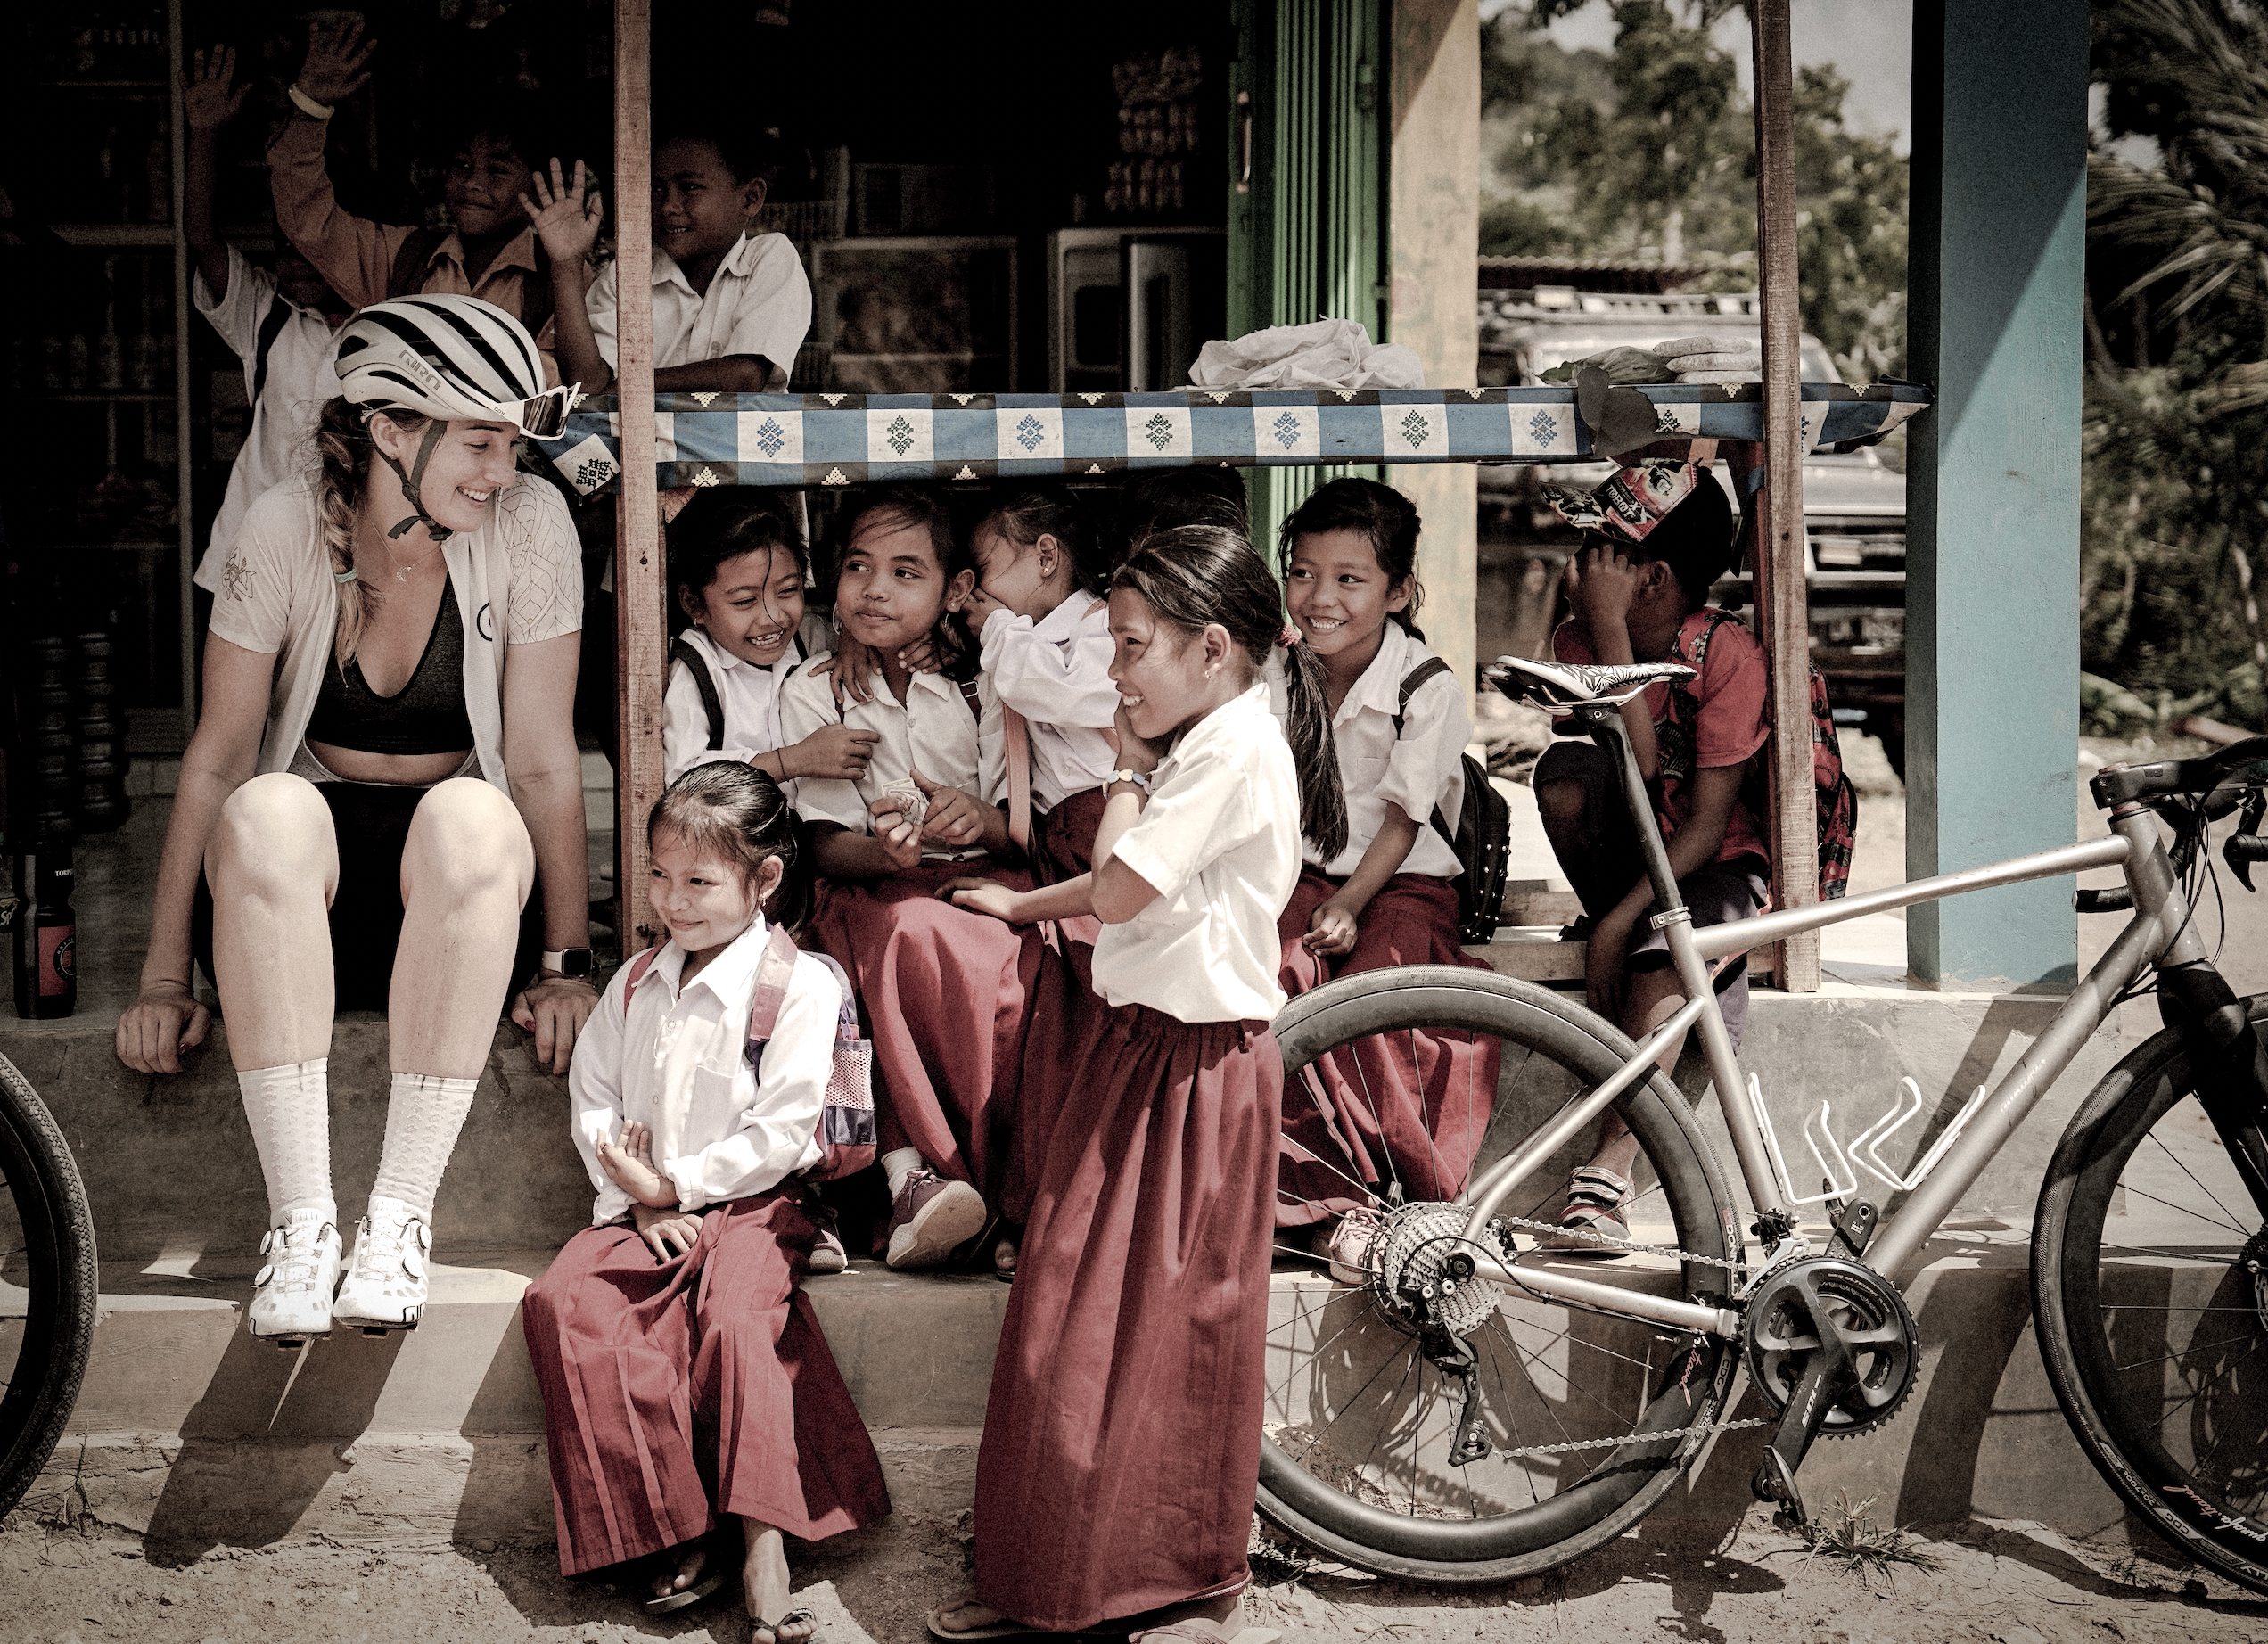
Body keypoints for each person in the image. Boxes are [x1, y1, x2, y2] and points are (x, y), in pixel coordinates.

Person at [112, 295, 598, 1344]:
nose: (502, 471)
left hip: (455, 915)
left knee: (472, 811)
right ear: (388, 430)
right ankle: (300, 1228)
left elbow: (548, 762)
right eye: (479, 441)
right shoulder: (282, 522)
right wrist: (162, 977)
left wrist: (567, 959)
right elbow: (215, 757)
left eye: (513, 444)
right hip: (291, 916)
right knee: (269, 806)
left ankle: (397, 1222)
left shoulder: (533, 525)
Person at [933, 525, 1340, 1643]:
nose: (1115, 673)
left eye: (1129, 647)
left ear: (1213, 649)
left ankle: (1146, 1582)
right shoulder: (1220, 736)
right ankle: (1077, 1578)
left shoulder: (1227, 751)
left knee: (1132, 1326)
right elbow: (1137, 889)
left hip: (1196, 1066)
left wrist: (1118, 763)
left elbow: (1117, 890)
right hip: (1154, 1051)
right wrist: (1018, 908)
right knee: (1099, 1320)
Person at [520, 763, 890, 1640]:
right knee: (565, 1303)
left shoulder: (801, 985)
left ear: (764, 879)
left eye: (699, 880)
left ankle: (766, 1545)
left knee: (731, 1318)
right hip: (645, 1202)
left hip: (760, 1201)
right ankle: (679, 1521)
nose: (673, 900)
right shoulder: (638, 978)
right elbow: (596, 1099)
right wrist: (637, 1197)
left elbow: (782, 1128)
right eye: (658, 875)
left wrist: (679, 1184)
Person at [779, 487, 1039, 1276]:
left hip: (978, 881)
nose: (875, 590)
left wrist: (975, 819)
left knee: (1023, 977)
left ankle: (1009, 1197)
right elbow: (824, 845)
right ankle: (920, 1179)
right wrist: (887, 855)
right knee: (904, 937)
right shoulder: (816, 688)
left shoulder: (983, 683)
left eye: (904, 573)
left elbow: (1011, 823)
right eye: (858, 568)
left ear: (954, 590)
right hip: (873, 890)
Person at [1266, 479, 1504, 1267]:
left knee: (1374, 984)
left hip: (1400, 885)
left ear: (1400, 591)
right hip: (1299, 874)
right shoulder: (1278, 669)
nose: (1319, 598)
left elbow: (1405, 816)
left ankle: (1402, 1191)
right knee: (1274, 975)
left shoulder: (1424, 685)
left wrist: (1352, 903)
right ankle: (1319, 1195)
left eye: (1349, 580)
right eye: (1303, 574)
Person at [1533, 465, 1767, 1249]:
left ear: (1653, 576)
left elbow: (1702, 830)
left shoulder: (1728, 656)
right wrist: (1602, 631)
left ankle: (1608, 1173)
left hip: (1711, 865)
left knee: (1667, 949)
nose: (1578, 565)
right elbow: (1622, 774)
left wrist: (1619, 925)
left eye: (1599, 551)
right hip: (1637, 850)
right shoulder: (1576, 638)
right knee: (1564, 777)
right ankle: (1624, 921)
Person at [270, 20, 579, 382]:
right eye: (462, 164)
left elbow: (570, 379)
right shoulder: (405, 257)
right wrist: (310, 109)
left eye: (496, 170)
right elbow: (308, 221)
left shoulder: (558, 273)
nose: (473, 182)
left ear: (537, 186)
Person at [181, 44, 354, 570]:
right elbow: (201, 235)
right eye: (283, 247)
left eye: (311, 246)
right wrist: (206, 131)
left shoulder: (388, 323)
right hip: (251, 552)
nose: (295, 262)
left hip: (344, 560)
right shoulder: (266, 313)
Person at [531, 119, 811, 396]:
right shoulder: (628, 275)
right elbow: (588, 383)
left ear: (750, 198)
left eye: (689, 187)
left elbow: (744, 377)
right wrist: (567, 265)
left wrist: (623, 387)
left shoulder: (769, 257)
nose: (667, 206)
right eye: (656, 189)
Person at [662, 489, 874, 789]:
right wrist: (794, 761)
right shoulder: (697, 668)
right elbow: (684, 777)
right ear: (694, 604)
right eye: (745, 601)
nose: (772, 617)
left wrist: (855, 638)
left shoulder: (813, 637)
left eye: (787, 591)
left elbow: (880, 643)